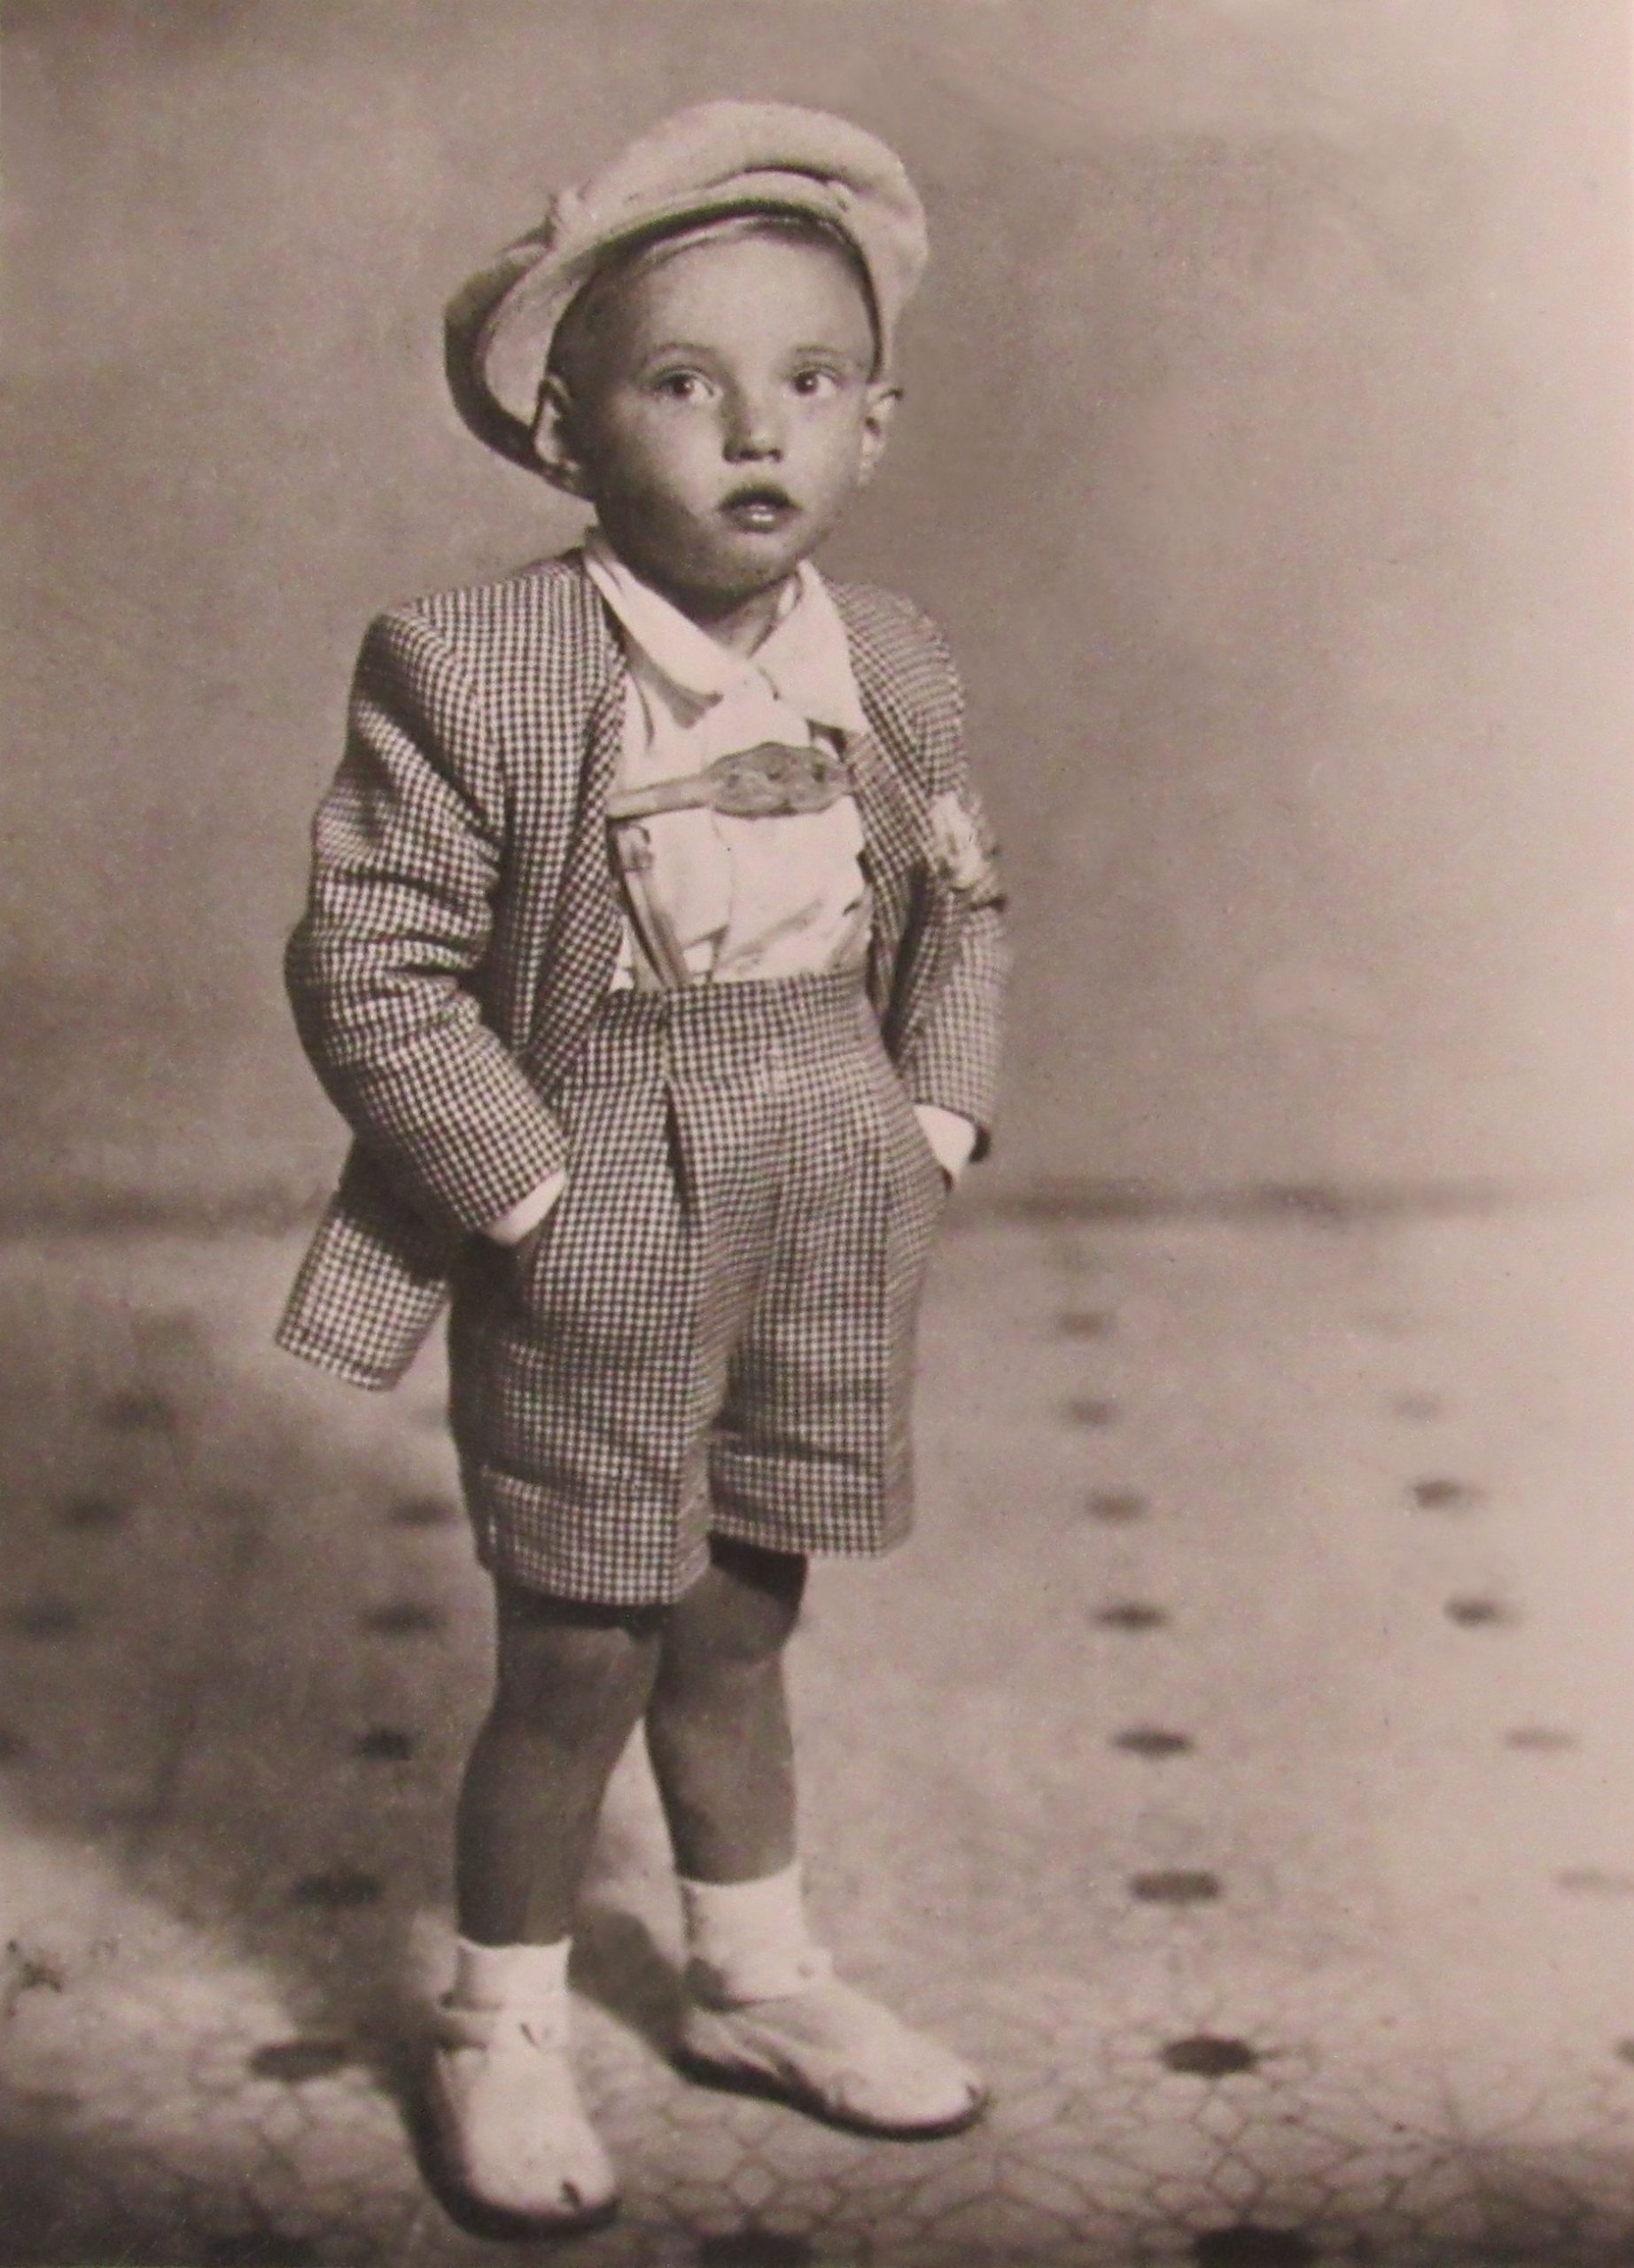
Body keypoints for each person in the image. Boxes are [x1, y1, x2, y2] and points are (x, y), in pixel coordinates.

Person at [277, 99, 1008, 2233]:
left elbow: (962, 906)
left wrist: (929, 1120)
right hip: (600, 1164)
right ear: (565, 431)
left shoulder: (891, 658)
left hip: (828, 1168)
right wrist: (531, 1194)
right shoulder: (474, 664)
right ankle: (497, 2016)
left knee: (743, 1601)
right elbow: (369, 964)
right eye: (682, 384)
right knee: (582, 1634)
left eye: (810, 380)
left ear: (874, 422)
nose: (755, 430)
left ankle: (751, 1973)